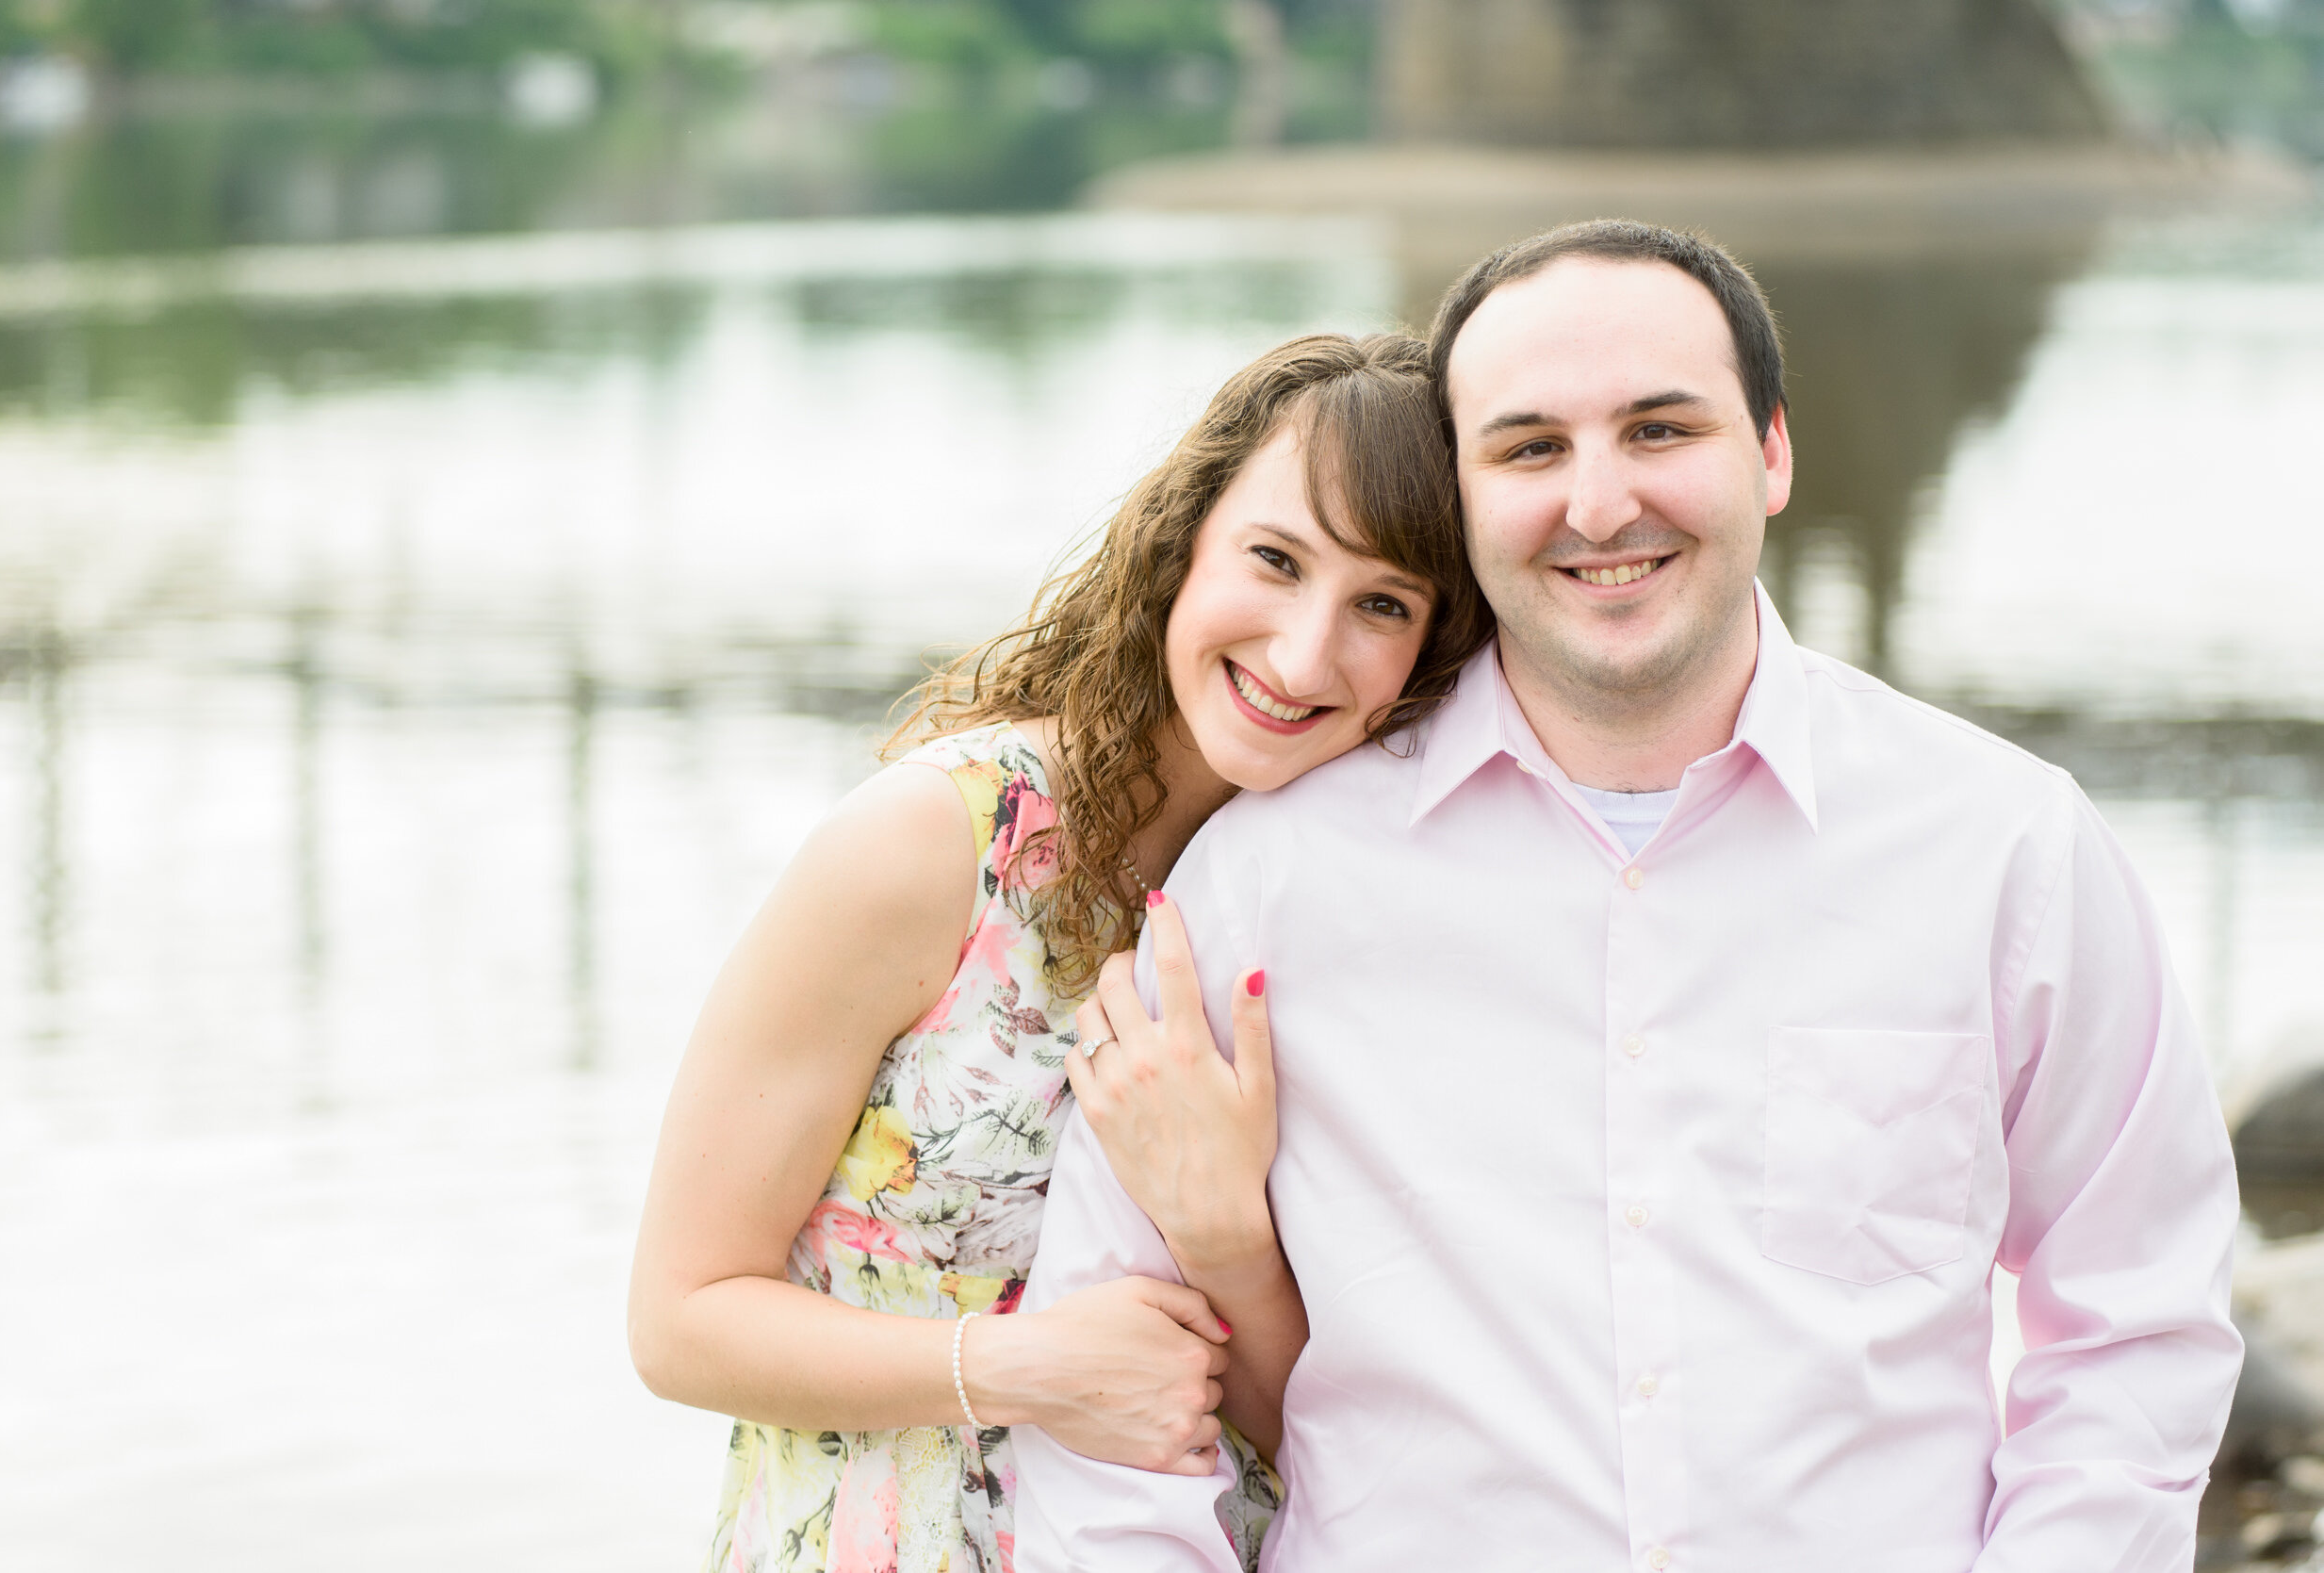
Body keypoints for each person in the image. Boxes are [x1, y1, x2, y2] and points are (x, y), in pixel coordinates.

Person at [1011, 220, 2244, 1571]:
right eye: (1530, 448)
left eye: (1660, 431)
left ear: (1771, 452)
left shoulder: (2007, 850)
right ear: (1464, 495)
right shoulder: (1272, 877)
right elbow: (1120, 1388)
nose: (1598, 504)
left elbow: (2135, 1323)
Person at [626, 331, 1491, 1573]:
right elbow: (679, 1318)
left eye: (1382, 605)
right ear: (1185, 539)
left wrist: (1229, 1240)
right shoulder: (930, 848)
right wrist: (1027, 1369)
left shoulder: (1346, 915)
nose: (1304, 653)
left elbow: (1345, 1432)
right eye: (1274, 559)